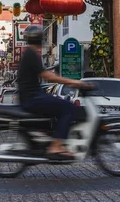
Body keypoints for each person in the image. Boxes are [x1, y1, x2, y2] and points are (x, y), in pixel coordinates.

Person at [17, 25, 92, 160]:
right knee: (68, 108)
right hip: (32, 98)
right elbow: (48, 76)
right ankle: (56, 146)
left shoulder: (30, 53)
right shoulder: (32, 54)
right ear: (40, 39)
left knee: (60, 104)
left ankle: (53, 139)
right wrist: (74, 82)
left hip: (32, 96)